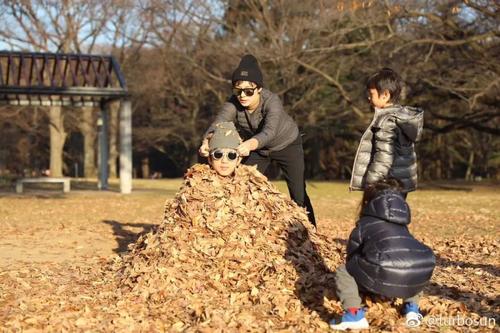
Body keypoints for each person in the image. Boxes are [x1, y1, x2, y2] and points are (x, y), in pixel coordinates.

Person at [199, 54, 316, 226]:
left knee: (298, 193)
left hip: (287, 145)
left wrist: (250, 144)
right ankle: (244, 228)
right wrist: (206, 141)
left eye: (248, 91)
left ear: (259, 89)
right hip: (258, 150)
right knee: (243, 184)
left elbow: (269, 132)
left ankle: (310, 232)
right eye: (238, 91)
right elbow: (218, 124)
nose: (243, 96)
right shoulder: (232, 104)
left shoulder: (272, 101)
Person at [330, 178, 435, 330]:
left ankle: (354, 314)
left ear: (369, 202)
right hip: (418, 271)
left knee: (344, 271)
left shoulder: (364, 224)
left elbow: (351, 257)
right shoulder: (402, 224)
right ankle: (412, 309)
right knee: (411, 265)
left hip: (382, 273)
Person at [350, 68, 424, 197]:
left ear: (385, 95)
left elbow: (383, 157)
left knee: (382, 214)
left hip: (386, 184)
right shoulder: (403, 117)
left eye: (371, 94)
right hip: (401, 181)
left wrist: (371, 184)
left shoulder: (386, 122)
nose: (368, 98)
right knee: (396, 213)